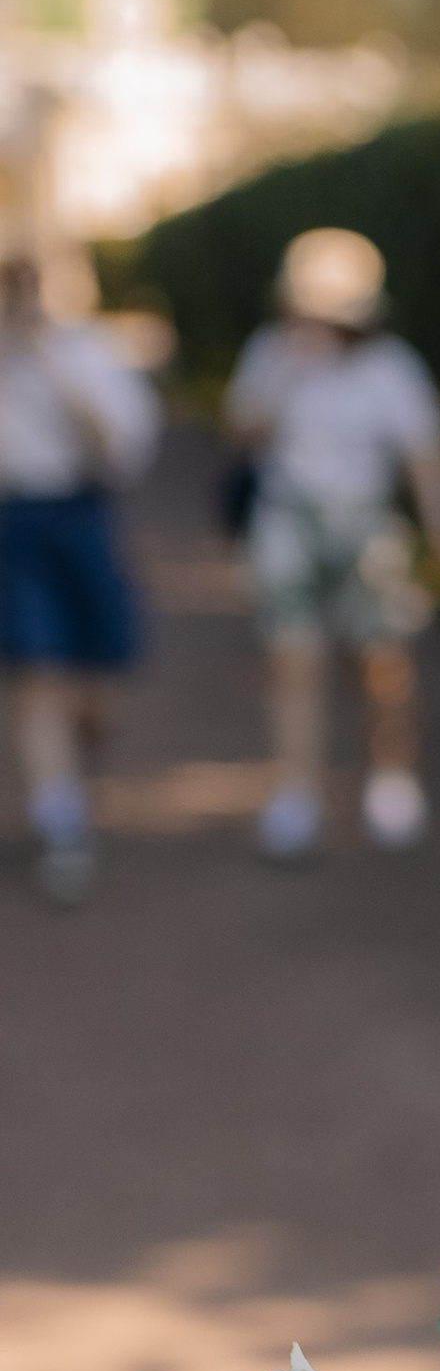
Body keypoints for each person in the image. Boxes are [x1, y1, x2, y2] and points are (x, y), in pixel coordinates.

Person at [223, 226, 440, 861]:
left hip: (366, 522)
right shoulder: (271, 353)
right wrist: (284, 375)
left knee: (382, 658)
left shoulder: (391, 367)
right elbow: (241, 433)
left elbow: (424, 453)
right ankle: (297, 791)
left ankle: (392, 776)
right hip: (287, 519)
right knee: (292, 657)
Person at [0, 251, 159, 903]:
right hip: (11, 524)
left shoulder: (91, 355)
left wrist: (48, 362)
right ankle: (60, 822)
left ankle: (72, 781)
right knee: (37, 675)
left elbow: (115, 451)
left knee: (96, 693)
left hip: (81, 517)